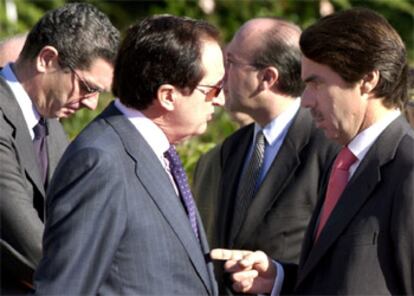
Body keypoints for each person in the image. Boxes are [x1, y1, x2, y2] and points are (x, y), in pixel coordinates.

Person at [211, 8, 414, 295]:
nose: (305, 100)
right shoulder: (346, 163)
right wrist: (279, 278)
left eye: (316, 84)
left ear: (368, 81)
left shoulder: (407, 169)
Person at [33, 15, 225, 295]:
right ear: (168, 96)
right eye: (213, 89)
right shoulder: (100, 162)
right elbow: (65, 287)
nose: (221, 99)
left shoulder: (152, 150)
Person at [199, 17, 338, 294]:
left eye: (231, 63)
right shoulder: (230, 150)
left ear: (268, 78)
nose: (220, 76)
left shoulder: (328, 148)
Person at [0, 3, 119, 293]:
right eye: (87, 87)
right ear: (47, 59)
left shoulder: (48, 121)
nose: (92, 103)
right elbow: (29, 243)